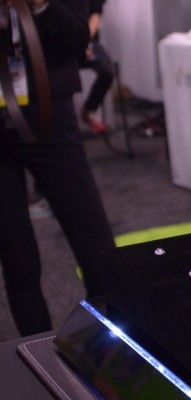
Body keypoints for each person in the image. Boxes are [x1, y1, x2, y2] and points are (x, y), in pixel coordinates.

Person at [0, 0, 116, 336]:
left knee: (96, 248)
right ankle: (33, 349)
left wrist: (40, 5)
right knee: (16, 258)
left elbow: (78, 38)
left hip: (50, 112)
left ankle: (111, 350)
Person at [78, 0, 112, 134]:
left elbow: (95, 13)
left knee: (107, 71)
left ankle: (89, 109)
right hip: (61, 40)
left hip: (86, 38)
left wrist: (84, 40)